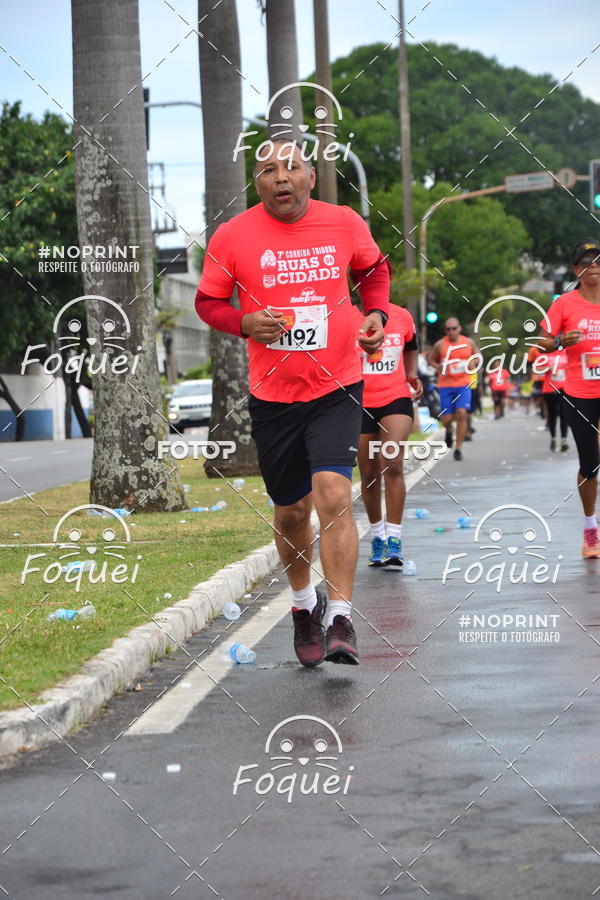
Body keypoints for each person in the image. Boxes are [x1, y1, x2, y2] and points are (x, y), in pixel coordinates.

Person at [195, 140, 390, 664]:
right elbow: (207, 301)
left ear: (310, 176)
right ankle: (304, 607)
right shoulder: (233, 235)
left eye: (291, 167)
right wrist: (244, 322)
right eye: (267, 170)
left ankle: (341, 618)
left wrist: (376, 315)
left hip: (338, 384)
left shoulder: (343, 221)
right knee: (291, 512)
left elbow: (374, 271)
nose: (280, 176)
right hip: (273, 394)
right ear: (256, 184)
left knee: (333, 493)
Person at [538, 239, 600, 558]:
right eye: (587, 262)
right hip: (579, 393)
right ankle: (590, 528)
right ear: (577, 270)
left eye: (598, 261)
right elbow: (541, 342)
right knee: (590, 464)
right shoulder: (565, 304)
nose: (594, 267)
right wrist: (561, 340)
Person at [354, 302, 422, 568]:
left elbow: (412, 346)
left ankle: (394, 539)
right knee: (369, 473)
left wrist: (412, 374)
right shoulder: (347, 314)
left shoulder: (402, 315)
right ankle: (377, 536)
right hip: (358, 401)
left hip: (395, 397)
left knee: (392, 463)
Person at [428, 319, 480, 461]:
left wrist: (473, 362)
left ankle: (458, 448)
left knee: (462, 413)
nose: (451, 331)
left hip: (463, 384)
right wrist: (438, 367)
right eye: (448, 329)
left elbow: (478, 356)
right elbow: (431, 359)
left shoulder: (468, 342)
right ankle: (449, 431)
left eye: (454, 328)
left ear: (459, 328)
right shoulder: (440, 345)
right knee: (446, 419)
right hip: (446, 385)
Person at [540, 350, 569, 451]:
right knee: (552, 415)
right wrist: (549, 367)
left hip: (565, 388)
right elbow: (537, 369)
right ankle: (553, 438)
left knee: (563, 413)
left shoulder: (568, 352)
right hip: (549, 389)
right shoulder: (546, 354)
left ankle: (564, 440)